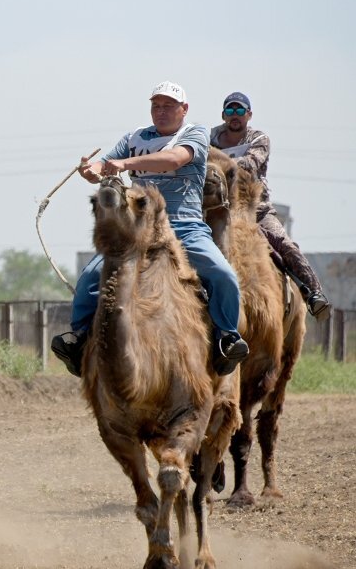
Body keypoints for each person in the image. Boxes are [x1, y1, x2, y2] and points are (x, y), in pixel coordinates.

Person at [51, 81, 249, 377]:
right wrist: (90, 171)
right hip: (139, 227)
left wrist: (123, 163)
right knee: (91, 276)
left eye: (169, 105)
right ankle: (79, 339)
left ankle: (226, 337)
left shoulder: (193, 133)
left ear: (184, 109)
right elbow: (104, 167)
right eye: (156, 105)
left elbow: (174, 159)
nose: (161, 111)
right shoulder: (135, 137)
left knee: (222, 275)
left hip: (184, 225)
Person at [210, 91, 332, 320]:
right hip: (218, 208)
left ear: (249, 114)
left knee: (285, 244)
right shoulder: (211, 139)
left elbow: (249, 164)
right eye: (230, 110)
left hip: (255, 209)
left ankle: (314, 294)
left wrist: (216, 163)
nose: (234, 115)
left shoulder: (259, 139)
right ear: (223, 115)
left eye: (239, 110)